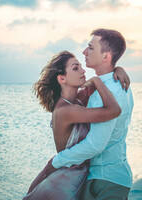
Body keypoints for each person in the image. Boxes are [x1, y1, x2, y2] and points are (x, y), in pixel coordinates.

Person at [23, 48, 130, 200]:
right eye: (75, 68)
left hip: (81, 176)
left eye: (80, 65)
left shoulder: (78, 100)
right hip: (65, 181)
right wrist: (97, 81)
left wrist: (118, 69)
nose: (82, 70)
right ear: (62, 79)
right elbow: (113, 111)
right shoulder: (65, 110)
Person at [50, 29, 134, 200]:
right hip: (105, 177)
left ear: (106, 57)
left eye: (90, 48)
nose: (84, 52)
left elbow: (95, 145)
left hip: (106, 180)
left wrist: (56, 161)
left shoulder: (106, 91)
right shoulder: (119, 85)